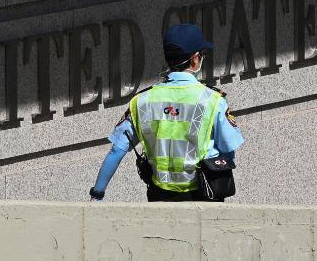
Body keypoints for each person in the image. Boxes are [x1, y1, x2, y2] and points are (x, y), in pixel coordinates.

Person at [89, 23, 244, 202]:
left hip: (159, 196)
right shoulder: (213, 100)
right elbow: (228, 152)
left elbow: (117, 149)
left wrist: (97, 194)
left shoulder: (142, 101)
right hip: (203, 195)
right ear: (195, 59)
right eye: (202, 55)